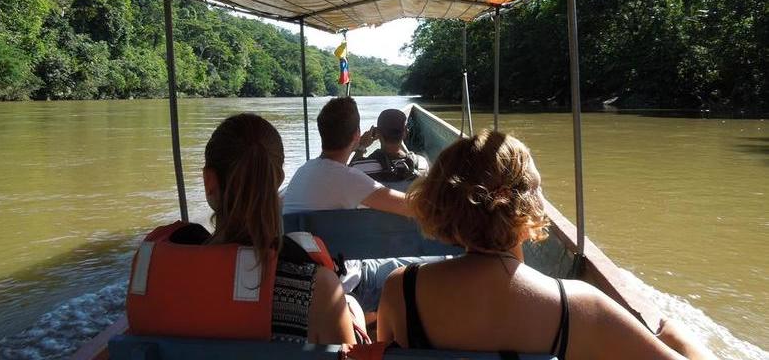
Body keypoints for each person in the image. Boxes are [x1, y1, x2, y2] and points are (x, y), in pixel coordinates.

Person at [376, 130, 715, 360]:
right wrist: (678, 336)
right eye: (537, 188)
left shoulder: (399, 288)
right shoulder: (580, 306)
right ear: (520, 205)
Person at [127, 114, 360, 345]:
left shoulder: (150, 275)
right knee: (353, 308)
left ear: (209, 182)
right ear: (277, 179)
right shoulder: (316, 290)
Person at [282, 97, 411, 217]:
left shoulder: (302, 170)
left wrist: (360, 148)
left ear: (322, 132)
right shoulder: (349, 180)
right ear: (357, 134)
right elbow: (413, 207)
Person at [351, 108, 429, 183]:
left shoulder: (361, 167)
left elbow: (346, 174)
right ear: (405, 132)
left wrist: (361, 147)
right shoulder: (421, 164)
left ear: (377, 132)